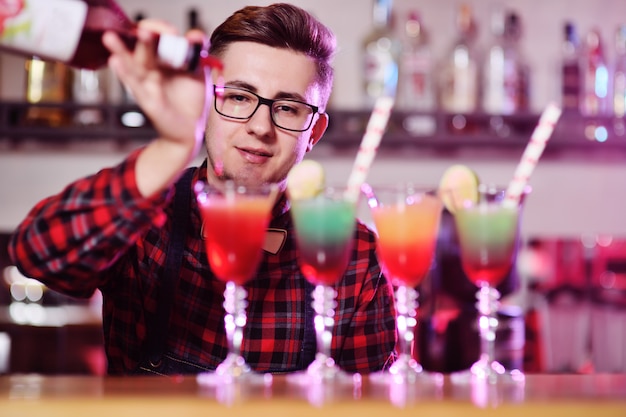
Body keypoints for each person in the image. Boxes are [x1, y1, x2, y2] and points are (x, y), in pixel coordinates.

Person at [8, 3, 396, 375]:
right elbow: (37, 255)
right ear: (207, 103)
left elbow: (373, 406)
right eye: (239, 97)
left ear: (313, 132)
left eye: (287, 108)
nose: (260, 127)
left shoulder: (356, 255)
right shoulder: (145, 218)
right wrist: (173, 147)